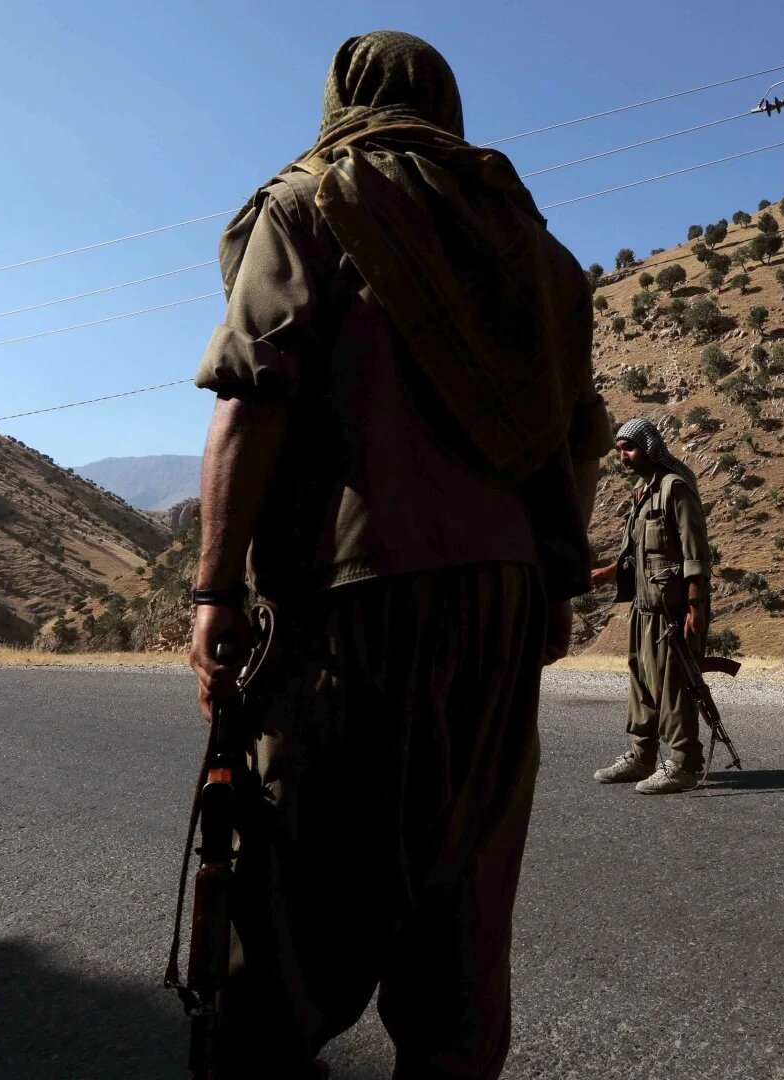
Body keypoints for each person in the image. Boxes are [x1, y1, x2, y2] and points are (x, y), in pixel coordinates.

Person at [186, 30, 608, 1080]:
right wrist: (553, 579)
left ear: (340, 99)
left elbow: (251, 399)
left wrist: (214, 589)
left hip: (357, 594)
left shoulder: (313, 205)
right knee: (464, 889)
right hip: (505, 604)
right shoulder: (537, 254)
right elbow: (578, 434)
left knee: (295, 899)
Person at [588, 418, 713, 795]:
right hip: (643, 608)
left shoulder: (676, 489)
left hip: (674, 610)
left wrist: (695, 606)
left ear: (650, 446)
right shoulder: (642, 493)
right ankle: (642, 755)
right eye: (620, 450)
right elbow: (635, 554)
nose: (624, 456)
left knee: (674, 686)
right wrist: (607, 572)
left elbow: (695, 555)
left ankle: (682, 764)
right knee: (641, 683)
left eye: (630, 448)